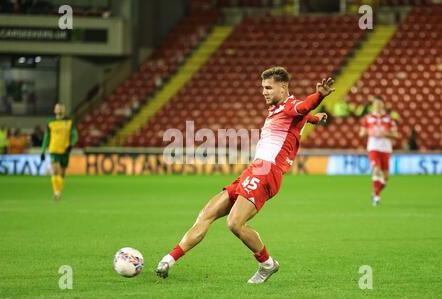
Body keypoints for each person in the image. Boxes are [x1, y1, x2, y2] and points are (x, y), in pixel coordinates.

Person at [155, 67, 334, 283]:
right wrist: (316, 118)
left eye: (268, 88)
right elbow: (303, 115)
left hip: (267, 172)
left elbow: (303, 106)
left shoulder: (291, 106)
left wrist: (319, 96)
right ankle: (168, 259)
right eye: (262, 88)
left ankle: (267, 264)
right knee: (206, 214)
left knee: (234, 223)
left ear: (283, 87)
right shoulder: (281, 109)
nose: (264, 92)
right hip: (254, 170)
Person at [359, 96, 398, 206]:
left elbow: (396, 134)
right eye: (376, 104)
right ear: (373, 105)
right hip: (373, 147)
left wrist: (386, 133)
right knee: (376, 169)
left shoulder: (389, 119)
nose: (377, 106)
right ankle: (376, 197)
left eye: (379, 104)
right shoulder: (367, 118)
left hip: (386, 148)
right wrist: (369, 132)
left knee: (386, 177)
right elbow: (361, 133)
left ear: (383, 105)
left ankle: (375, 192)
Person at [41, 103, 78, 201]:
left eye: (60, 107)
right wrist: (43, 150)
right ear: (54, 110)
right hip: (54, 149)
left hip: (65, 150)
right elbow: (46, 137)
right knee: (55, 171)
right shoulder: (51, 122)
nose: (59, 109)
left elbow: (74, 135)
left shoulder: (69, 122)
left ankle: (58, 192)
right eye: (57, 107)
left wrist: (71, 144)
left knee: (62, 173)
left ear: (64, 110)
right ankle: (56, 193)